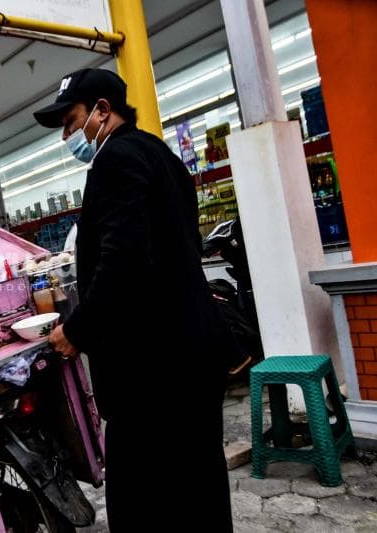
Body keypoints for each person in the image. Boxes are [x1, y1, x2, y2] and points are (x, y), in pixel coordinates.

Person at [33, 69, 235, 531]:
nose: (67, 136)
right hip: (190, 354)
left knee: (143, 500)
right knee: (198, 489)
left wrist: (77, 329)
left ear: (103, 110)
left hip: (155, 368)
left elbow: (123, 262)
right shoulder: (158, 154)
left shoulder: (116, 160)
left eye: (71, 121)